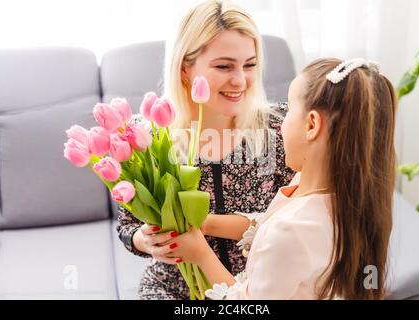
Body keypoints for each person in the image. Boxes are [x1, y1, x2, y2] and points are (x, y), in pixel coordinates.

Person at [158, 57, 398, 300]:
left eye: (290, 109)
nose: (281, 124)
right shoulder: (333, 193)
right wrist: (209, 224)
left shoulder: (290, 232)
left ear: (312, 124)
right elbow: (271, 223)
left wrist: (200, 254)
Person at [116, 0, 295, 299]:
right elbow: (128, 226)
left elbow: (294, 221)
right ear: (185, 68)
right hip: (172, 289)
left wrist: (203, 227)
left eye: (249, 65)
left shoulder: (281, 127)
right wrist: (142, 241)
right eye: (224, 66)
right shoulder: (149, 137)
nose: (240, 80)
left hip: (259, 287)